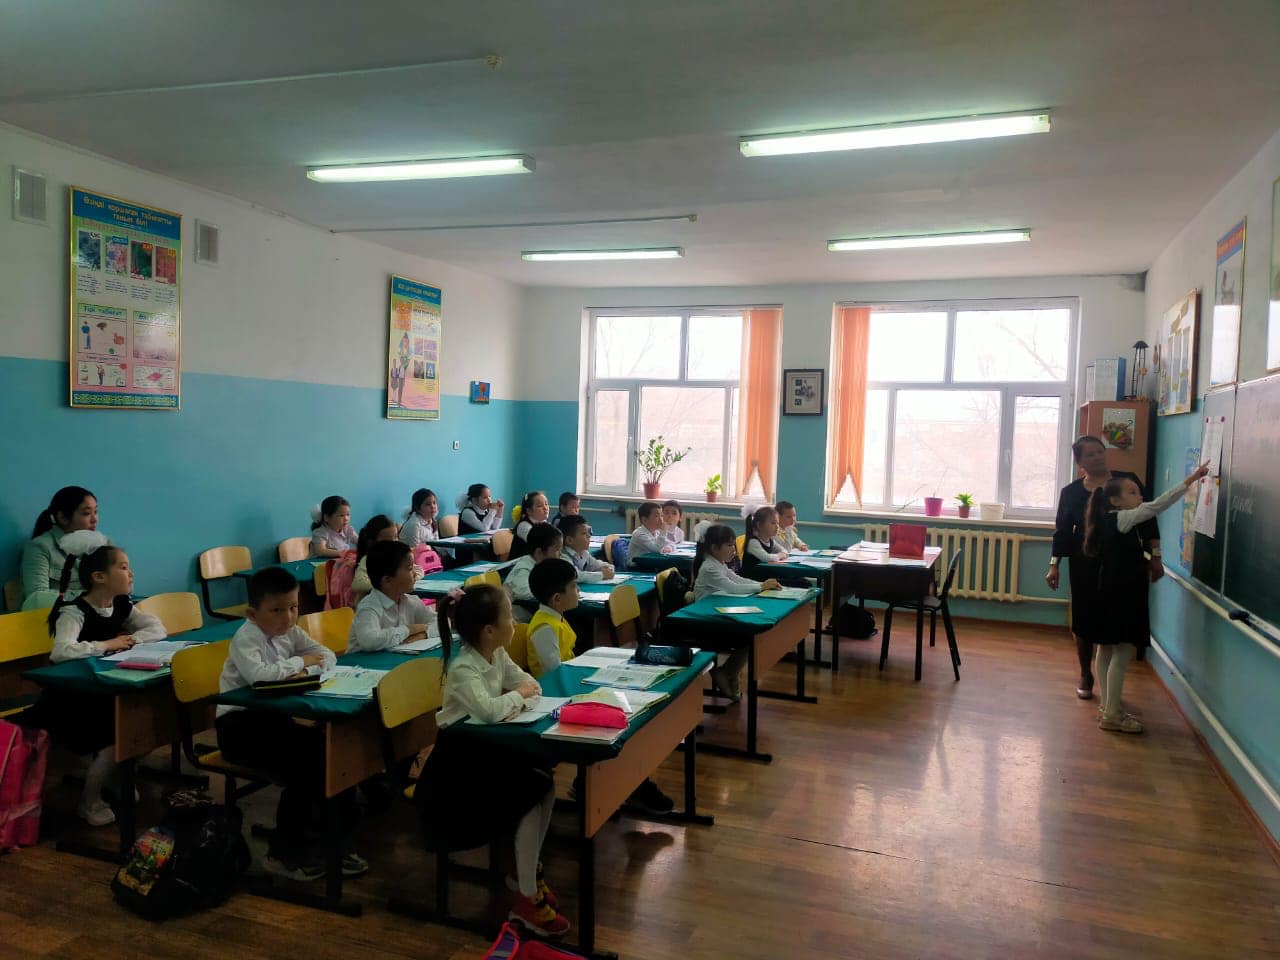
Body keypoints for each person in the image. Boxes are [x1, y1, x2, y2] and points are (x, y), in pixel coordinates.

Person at [415, 584, 569, 937]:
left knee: (543, 785)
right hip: (455, 771)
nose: (515, 622)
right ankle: (525, 897)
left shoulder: (496, 653)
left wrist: (516, 697)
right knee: (529, 793)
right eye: (509, 616)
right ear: (488, 630)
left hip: (484, 754)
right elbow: (489, 710)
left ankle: (525, 874)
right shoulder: (463, 667)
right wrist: (517, 698)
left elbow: (529, 684)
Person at [215, 567, 361, 881]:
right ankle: (283, 854)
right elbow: (261, 677)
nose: (289, 617)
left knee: (334, 754)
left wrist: (306, 666)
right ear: (252, 613)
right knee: (304, 768)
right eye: (277, 610)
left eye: (294, 607)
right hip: (239, 729)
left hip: (274, 720)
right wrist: (300, 663)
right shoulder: (246, 638)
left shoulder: (290, 632)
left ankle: (332, 841)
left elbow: (326, 655)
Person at [27, 533, 166, 825]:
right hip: (71, 699)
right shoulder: (74, 611)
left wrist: (131, 640)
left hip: (103, 689)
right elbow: (61, 651)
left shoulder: (121, 604)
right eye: (124, 567)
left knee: (145, 719)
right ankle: (89, 801)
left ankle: (113, 777)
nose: (131, 573)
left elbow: (156, 628)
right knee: (116, 731)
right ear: (99, 577)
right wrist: (107, 645)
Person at [1082, 462, 1209, 733]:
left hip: (1108, 591)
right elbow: (1159, 504)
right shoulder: (1124, 518)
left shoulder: (1109, 519)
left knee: (1105, 648)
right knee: (1123, 651)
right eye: (1132, 492)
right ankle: (1112, 715)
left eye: (1138, 491)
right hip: (1123, 595)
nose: (1139, 496)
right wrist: (1190, 480)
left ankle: (1108, 707)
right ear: (1115, 500)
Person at [1047, 436, 1164, 700]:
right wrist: (1054, 566)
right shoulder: (1071, 492)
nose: (1098, 457)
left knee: (1120, 620)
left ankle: (1112, 686)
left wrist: (1156, 556)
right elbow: (1062, 533)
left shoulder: (1126, 481)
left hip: (1126, 565)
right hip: (1085, 564)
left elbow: (1148, 519)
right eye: (1090, 454)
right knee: (1085, 619)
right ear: (1080, 462)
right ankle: (1085, 673)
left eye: (1100, 451)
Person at [691, 524, 781, 701]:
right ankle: (728, 673)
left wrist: (761, 585)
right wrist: (761, 586)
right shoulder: (709, 567)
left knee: (749, 635)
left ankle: (728, 673)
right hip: (705, 621)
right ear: (714, 548)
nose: (734, 549)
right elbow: (732, 587)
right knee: (747, 636)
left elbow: (738, 580)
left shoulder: (719, 564)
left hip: (716, 614)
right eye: (729, 545)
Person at [21, 485, 105, 610]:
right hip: (58, 617)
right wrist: (91, 598)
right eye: (86, 513)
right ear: (62, 517)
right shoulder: (40, 547)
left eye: (96, 512)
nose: (95, 519)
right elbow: (36, 598)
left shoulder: (103, 544)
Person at [349, 541, 436, 651]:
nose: (415, 574)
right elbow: (370, 640)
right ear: (387, 580)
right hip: (363, 661)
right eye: (409, 569)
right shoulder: (369, 606)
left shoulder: (410, 601)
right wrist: (409, 629)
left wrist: (424, 634)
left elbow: (441, 623)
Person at [504, 523, 565, 622]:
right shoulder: (523, 568)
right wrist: (553, 592)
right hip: (517, 621)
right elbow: (524, 592)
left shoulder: (542, 566)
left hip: (534, 615)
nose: (560, 555)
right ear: (539, 552)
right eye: (557, 550)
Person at [557, 515, 615, 582]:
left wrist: (609, 568)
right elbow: (574, 575)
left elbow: (597, 564)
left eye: (588, 533)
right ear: (569, 540)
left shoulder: (583, 553)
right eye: (584, 533)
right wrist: (602, 575)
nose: (589, 536)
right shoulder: (562, 555)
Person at [741, 504, 788, 578]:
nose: (777, 526)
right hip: (752, 579)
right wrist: (780, 555)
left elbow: (784, 550)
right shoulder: (753, 542)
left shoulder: (770, 540)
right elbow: (766, 558)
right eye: (773, 523)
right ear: (759, 525)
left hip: (765, 577)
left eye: (777, 523)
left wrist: (783, 553)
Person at [509, 491, 551, 559]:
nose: (545, 508)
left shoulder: (544, 523)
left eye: (546, 504)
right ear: (529, 511)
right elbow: (540, 544)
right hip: (519, 563)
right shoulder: (523, 526)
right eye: (539, 506)